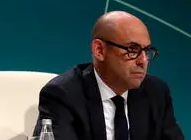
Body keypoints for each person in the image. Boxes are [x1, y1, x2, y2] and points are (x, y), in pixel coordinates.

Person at [33, 10, 185, 140]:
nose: (143, 61)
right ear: (100, 50)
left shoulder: (156, 92)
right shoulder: (63, 94)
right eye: (132, 49)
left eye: (147, 51)